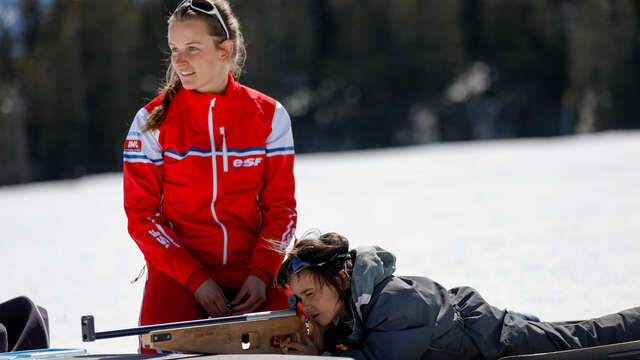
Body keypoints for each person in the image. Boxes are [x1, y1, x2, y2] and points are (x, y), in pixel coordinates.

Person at [123, 0, 296, 352]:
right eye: (173, 49)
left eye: (192, 49)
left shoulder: (269, 116)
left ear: (224, 50)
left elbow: (282, 210)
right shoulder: (150, 121)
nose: (179, 61)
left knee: (295, 350)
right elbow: (142, 218)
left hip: (256, 271)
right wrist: (196, 279)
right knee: (159, 354)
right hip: (180, 274)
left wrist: (262, 273)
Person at [275, 232, 640, 359]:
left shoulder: (392, 302)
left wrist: (321, 353)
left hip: (494, 339)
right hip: (474, 336)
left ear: (340, 279)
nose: (304, 306)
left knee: (585, 340)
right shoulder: (349, 308)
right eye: (298, 298)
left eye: (309, 294)